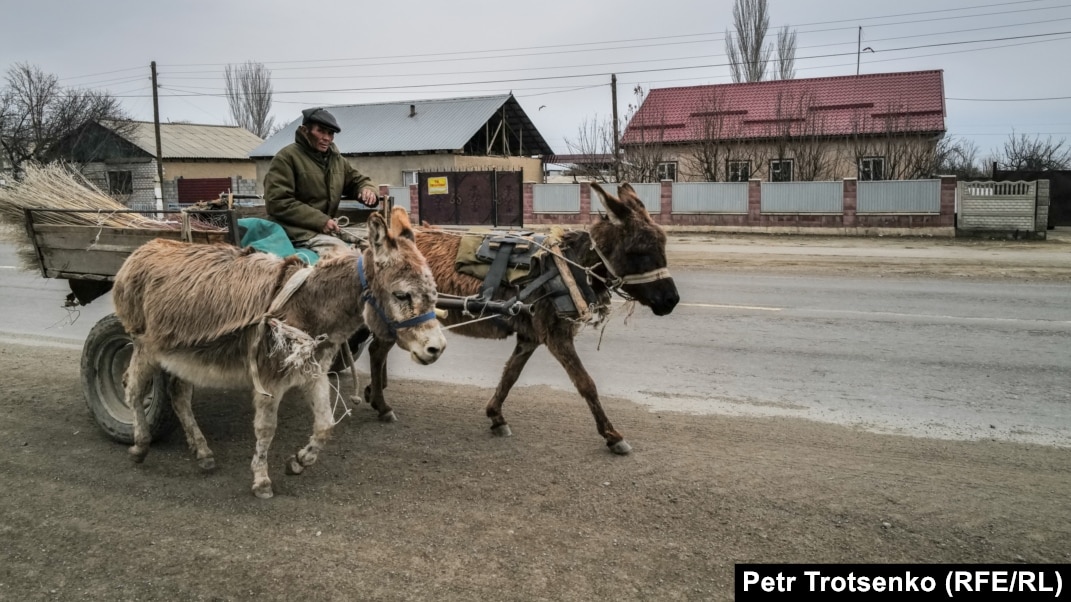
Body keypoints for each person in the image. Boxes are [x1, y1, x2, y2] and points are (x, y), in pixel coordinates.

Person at [263, 107, 379, 256]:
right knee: (342, 254)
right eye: (321, 131)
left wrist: (366, 189)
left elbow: (356, 181)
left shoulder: (337, 160)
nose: (327, 138)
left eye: (330, 133)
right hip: (295, 231)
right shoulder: (286, 158)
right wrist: (320, 221)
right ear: (305, 130)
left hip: (327, 227)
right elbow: (277, 202)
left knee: (375, 242)